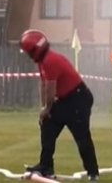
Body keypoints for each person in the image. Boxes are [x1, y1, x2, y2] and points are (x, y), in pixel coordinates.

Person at [19, 29, 100, 182]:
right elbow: (43, 85)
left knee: (81, 136)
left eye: (29, 52)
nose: (29, 56)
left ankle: (93, 172)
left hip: (78, 99)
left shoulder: (50, 61)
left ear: (35, 50)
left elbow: (51, 88)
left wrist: (47, 108)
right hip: (66, 100)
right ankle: (46, 166)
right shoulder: (43, 62)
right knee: (47, 124)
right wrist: (43, 109)